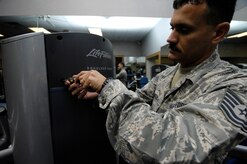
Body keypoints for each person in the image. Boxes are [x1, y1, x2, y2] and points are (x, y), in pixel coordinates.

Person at [65, 0, 247, 163]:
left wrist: (108, 88)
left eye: (184, 30)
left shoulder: (235, 86)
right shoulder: (165, 76)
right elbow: (137, 102)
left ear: (218, 32)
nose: (170, 38)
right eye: (172, 27)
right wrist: (101, 96)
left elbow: (177, 151)